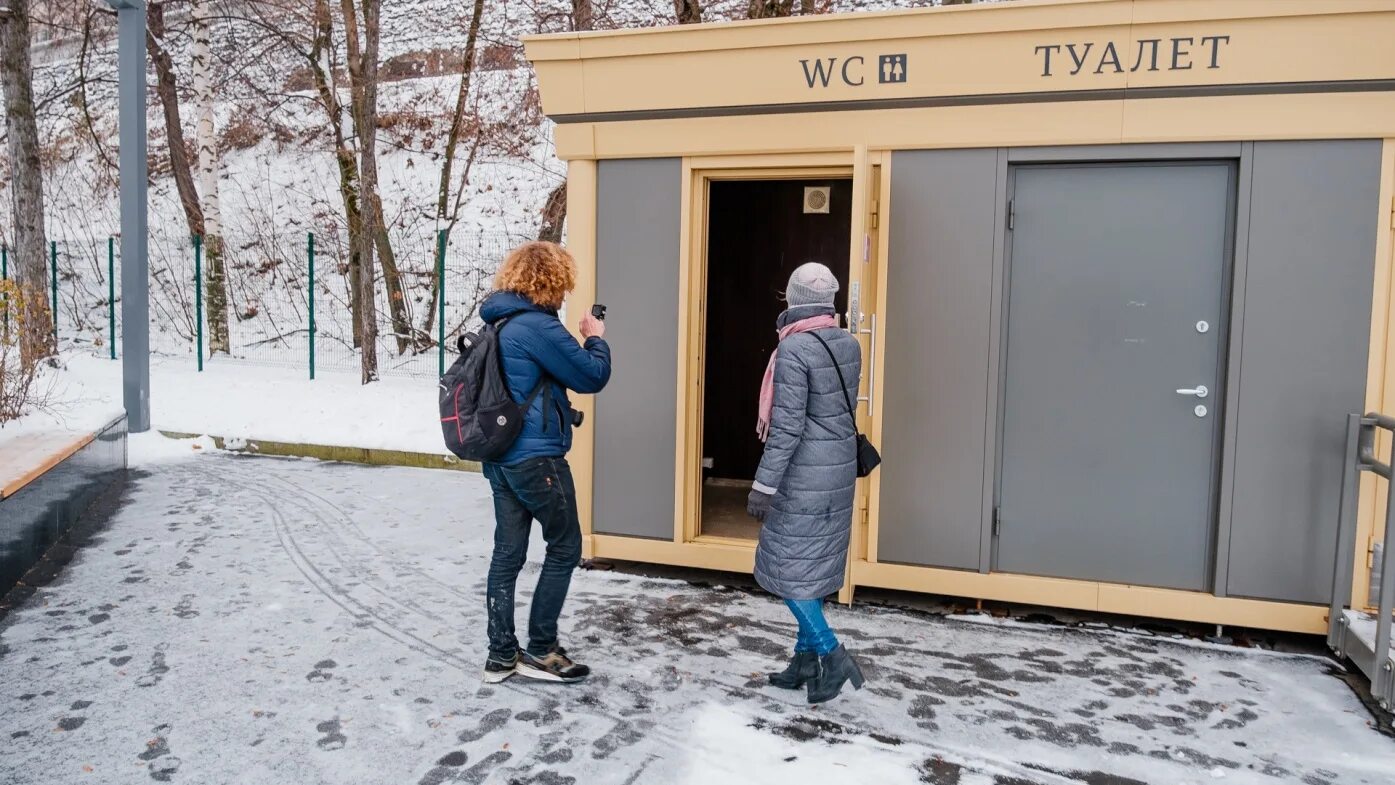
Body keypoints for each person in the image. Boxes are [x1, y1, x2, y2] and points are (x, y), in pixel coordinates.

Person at [476, 241, 611, 685]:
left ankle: (500, 655)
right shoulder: (536, 327)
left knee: (508, 553)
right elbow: (591, 376)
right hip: (536, 459)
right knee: (566, 546)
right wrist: (594, 338)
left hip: (499, 457)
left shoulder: (499, 323)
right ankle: (541, 649)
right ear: (554, 280)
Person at [746, 262, 866, 704]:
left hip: (803, 476)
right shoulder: (847, 342)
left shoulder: (794, 351)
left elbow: (788, 427)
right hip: (835, 471)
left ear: (794, 300)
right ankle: (804, 661)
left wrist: (764, 485)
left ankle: (832, 654)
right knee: (809, 568)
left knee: (791, 572)